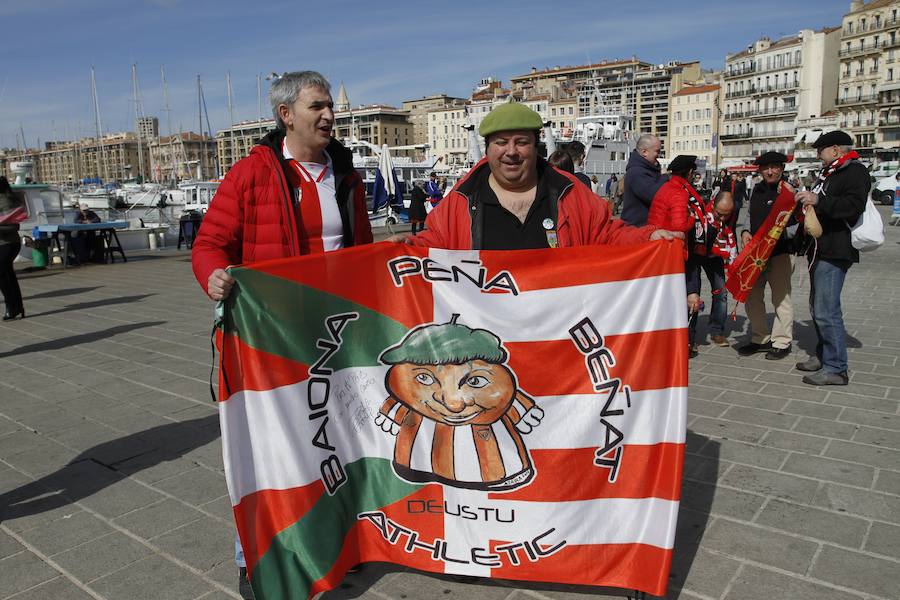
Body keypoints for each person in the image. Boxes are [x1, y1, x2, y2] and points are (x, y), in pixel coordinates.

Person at [190, 70, 372, 598]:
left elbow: (358, 247)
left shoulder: (345, 173)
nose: (329, 116)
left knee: (338, 438)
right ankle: (255, 557)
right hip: (271, 341)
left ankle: (339, 541)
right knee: (268, 451)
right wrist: (213, 277)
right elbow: (208, 245)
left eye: (331, 106)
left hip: (335, 334)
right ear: (286, 114)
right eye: (317, 106)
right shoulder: (251, 174)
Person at [405, 103, 682, 251]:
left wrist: (649, 238)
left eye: (521, 142)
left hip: (556, 339)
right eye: (501, 142)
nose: (511, 152)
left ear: (535, 146)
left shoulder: (569, 192)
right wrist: (401, 248)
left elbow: (607, 235)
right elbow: (433, 246)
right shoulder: (460, 201)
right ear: (487, 149)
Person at [794, 130, 869, 386]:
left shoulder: (855, 172)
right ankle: (823, 355)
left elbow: (853, 206)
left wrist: (818, 199)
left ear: (836, 150)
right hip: (819, 248)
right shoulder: (829, 173)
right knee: (817, 308)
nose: (818, 155)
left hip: (836, 249)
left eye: (821, 150)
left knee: (827, 310)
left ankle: (836, 368)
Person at [737, 152, 797, 360]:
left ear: (782, 169)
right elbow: (751, 216)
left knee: (781, 297)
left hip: (780, 252)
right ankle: (760, 337)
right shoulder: (757, 189)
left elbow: (796, 224)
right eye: (765, 168)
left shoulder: (789, 192)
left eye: (774, 167)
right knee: (752, 297)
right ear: (760, 170)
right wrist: (745, 232)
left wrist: (777, 238)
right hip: (756, 254)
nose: (770, 171)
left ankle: (781, 341)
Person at [686, 191, 736, 354]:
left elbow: (730, 235)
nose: (722, 219)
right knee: (693, 294)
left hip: (715, 255)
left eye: (726, 215)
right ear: (713, 205)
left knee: (721, 290)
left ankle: (717, 330)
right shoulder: (701, 214)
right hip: (696, 251)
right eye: (719, 214)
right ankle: (690, 336)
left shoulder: (730, 216)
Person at [622, 134, 668, 226]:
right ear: (644, 152)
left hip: (647, 226)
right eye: (657, 151)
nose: (659, 155)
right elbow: (654, 195)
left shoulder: (648, 169)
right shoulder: (636, 172)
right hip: (637, 228)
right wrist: (665, 178)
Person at [647, 155, 701, 235]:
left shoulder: (666, 186)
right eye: (693, 173)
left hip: (655, 233)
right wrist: (692, 218)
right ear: (689, 172)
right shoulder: (679, 192)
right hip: (668, 240)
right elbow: (679, 227)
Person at [0, 177, 25, 321]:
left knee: (3, 276)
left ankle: (13, 307)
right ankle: (16, 307)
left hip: (7, 243)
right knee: (8, 275)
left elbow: (14, 226)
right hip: (7, 244)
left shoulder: (6, 201)